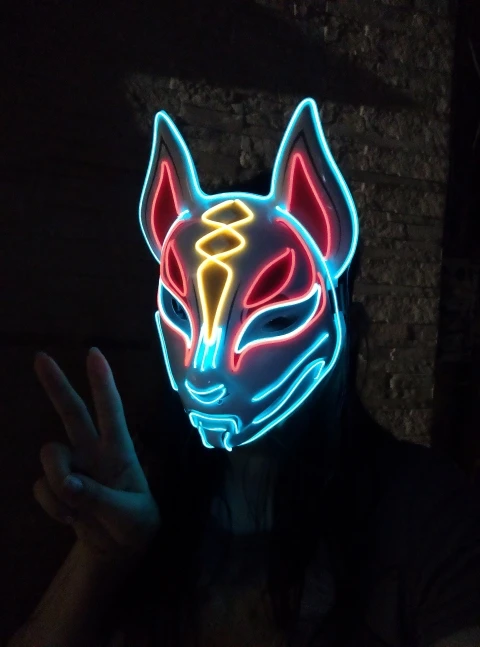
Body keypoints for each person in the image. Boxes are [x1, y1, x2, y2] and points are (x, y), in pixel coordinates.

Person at [8, 99, 480, 647]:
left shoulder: (427, 517)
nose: (207, 369)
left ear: (344, 326)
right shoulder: (137, 496)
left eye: (274, 319)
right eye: (181, 312)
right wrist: (98, 557)